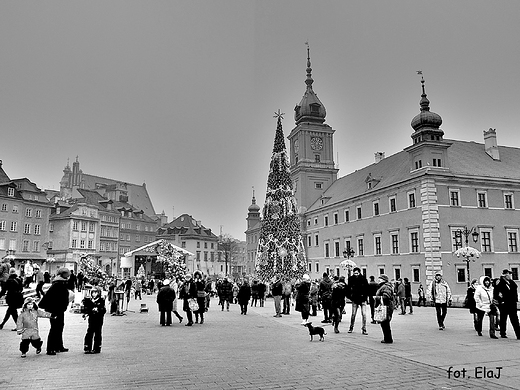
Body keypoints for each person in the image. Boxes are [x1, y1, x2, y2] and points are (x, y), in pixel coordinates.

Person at [38, 267, 73, 355]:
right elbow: (54, 298)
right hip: (55, 310)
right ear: (63, 275)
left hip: (59, 309)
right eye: (67, 274)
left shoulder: (61, 283)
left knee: (60, 327)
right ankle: (50, 348)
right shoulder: (58, 284)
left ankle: (59, 346)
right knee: (55, 328)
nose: (68, 276)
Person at [493, 269, 520, 339]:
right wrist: (499, 301)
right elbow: (496, 293)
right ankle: (502, 332)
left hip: (512, 304)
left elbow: (515, 293)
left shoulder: (512, 283)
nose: (510, 275)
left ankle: (518, 334)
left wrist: (516, 301)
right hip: (503, 304)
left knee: (515, 319)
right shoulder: (499, 283)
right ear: (504, 275)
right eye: (508, 274)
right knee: (503, 319)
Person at [82, 286, 107, 353]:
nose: (94, 294)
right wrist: (86, 313)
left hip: (99, 319)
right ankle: (87, 347)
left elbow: (103, 310)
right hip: (91, 319)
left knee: (98, 333)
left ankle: (97, 347)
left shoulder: (101, 300)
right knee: (89, 332)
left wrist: (98, 310)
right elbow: (86, 308)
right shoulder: (89, 300)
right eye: (93, 292)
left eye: (95, 292)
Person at [347, 267, 369, 334]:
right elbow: (348, 289)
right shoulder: (351, 279)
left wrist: (365, 296)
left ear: (359, 273)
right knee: (353, 314)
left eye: (357, 273)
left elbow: (367, 288)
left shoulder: (364, 279)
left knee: (364, 314)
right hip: (355, 299)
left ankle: (364, 328)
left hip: (362, 299)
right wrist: (350, 297)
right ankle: (351, 327)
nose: (356, 274)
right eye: (354, 273)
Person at [375, 274, 395, 343]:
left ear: (384, 280)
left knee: (385, 323)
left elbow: (386, 297)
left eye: (380, 279)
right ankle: (387, 338)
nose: (378, 280)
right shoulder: (383, 286)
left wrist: (376, 298)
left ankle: (388, 339)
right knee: (384, 323)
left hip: (386, 307)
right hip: (386, 306)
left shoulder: (386, 287)